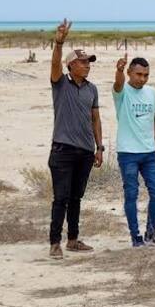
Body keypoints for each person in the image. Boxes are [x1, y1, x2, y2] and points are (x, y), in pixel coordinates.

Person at [47, 19, 104, 259]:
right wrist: (59, 43)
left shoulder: (92, 89)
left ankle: (72, 240)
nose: (87, 65)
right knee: (60, 198)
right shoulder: (60, 83)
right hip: (63, 150)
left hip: (85, 151)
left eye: (89, 62)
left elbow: (95, 119)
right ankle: (54, 243)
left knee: (76, 198)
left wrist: (99, 147)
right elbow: (54, 64)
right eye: (83, 62)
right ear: (71, 65)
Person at [113, 54, 155, 247]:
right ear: (129, 73)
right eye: (138, 74)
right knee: (131, 194)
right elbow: (118, 84)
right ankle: (135, 236)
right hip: (128, 153)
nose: (142, 79)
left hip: (149, 152)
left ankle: (151, 232)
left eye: (146, 75)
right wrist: (119, 70)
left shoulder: (150, 92)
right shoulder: (121, 91)